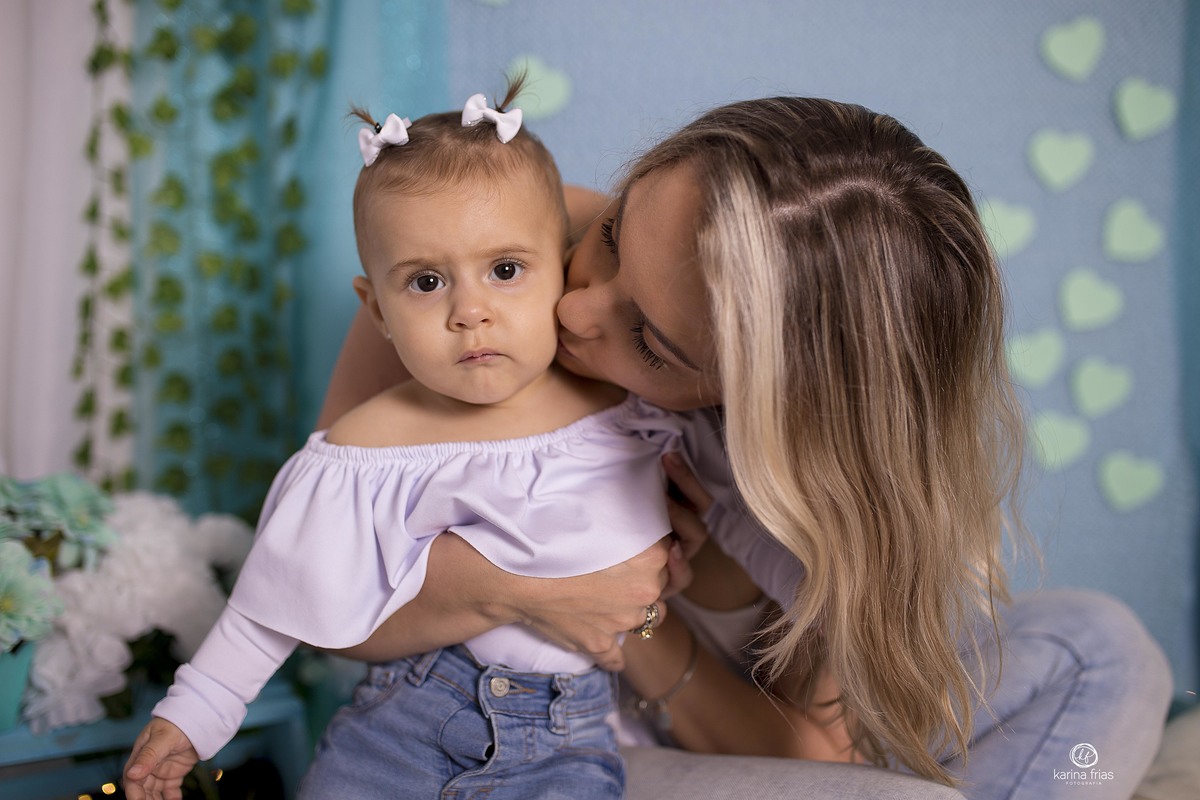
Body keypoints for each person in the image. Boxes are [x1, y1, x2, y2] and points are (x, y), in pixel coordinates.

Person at [317, 96, 1174, 800]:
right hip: (554, 741)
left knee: (1097, 648)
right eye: (613, 235)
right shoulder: (480, 258)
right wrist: (558, 592)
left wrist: (643, 627)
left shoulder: (826, 486)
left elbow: (806, 752)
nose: (576, 312)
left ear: (769, 403)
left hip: (716, 721)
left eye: (651, 342)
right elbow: (321, 593)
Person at [122, 80, 703, 800]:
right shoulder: (366, 447)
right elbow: (272, 604)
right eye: (427, 282)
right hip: (405, 722)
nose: (471, 312)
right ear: (379, 311)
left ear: (562, 264)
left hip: (566, 734)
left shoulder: (624, 410)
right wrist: (191, 718)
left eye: (506, 270)